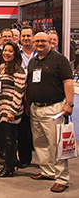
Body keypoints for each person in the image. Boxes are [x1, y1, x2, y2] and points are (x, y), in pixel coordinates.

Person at [27, 32, 74, 193]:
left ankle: (62, 178)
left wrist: (69, 103)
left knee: (55, 145)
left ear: (51, 42)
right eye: (37, 41)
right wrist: (28, 106)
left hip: (54, 108)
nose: (40, 43)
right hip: (36, 108)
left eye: (43, 41)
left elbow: (67, 81)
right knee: (40, 142)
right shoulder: (33, 61)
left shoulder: (59, 59)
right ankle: (48, 171)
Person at [0, 41, 25, 177]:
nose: (7, 53)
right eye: (5, 50)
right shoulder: (2, 67)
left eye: (10, 51)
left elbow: (19, 92)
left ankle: (9, 167)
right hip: (1, 108)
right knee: (5, 138)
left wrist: (12, 110)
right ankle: (11, 162)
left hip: (11, 110)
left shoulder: (18, 69)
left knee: (10, 139)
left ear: (16, 53)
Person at [17, 25, 37, 168]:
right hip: (21, 95)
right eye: (23, 36)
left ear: (33, 37)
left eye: (28, 36)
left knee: (40, 131)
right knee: (23, 129)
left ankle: (46, 162)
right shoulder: (17, 54)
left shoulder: (42, 53)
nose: (25, 38)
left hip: (38, 95)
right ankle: (24, 158)